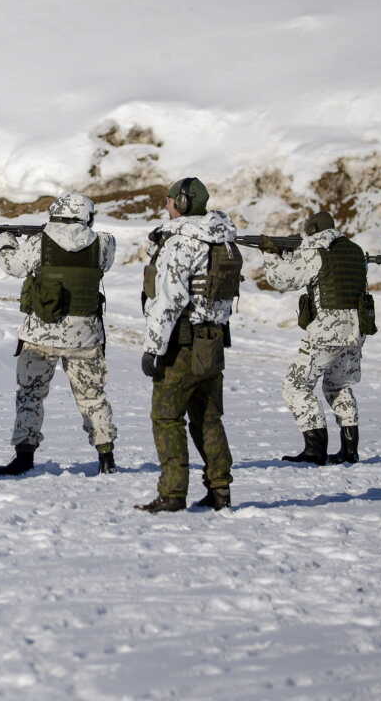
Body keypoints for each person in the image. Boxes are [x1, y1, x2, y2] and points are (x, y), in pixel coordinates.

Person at [0, 193, 119, 476]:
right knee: (92, 397)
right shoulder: (104, 243)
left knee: (30, 395)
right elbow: (103, 261)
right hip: (85, 337)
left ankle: (24, 457)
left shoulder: (38, 243)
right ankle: (106, 456)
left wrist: (6, 239)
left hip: (41, 336)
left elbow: (13, 266)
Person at [137, 177, 240, 512]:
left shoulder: (183, 242)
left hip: (181, 344)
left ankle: (172, 493)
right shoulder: (223, 241)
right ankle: (220, 490)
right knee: (208, 419)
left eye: (169, 201)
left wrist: (153, 347)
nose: (166, 206)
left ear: (180, 203)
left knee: (166, 417)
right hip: (213, 342)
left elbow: (170, 298)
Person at [262, 211, 370, 465]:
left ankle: (315, 450)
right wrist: (289, 253)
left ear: (311, 230)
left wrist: (270, 254)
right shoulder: (355, 252)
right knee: (338, 386)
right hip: (356, 331)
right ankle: (349, 450)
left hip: (327, 331)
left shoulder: (317, 253)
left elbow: (282, 279)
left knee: (296, 386)